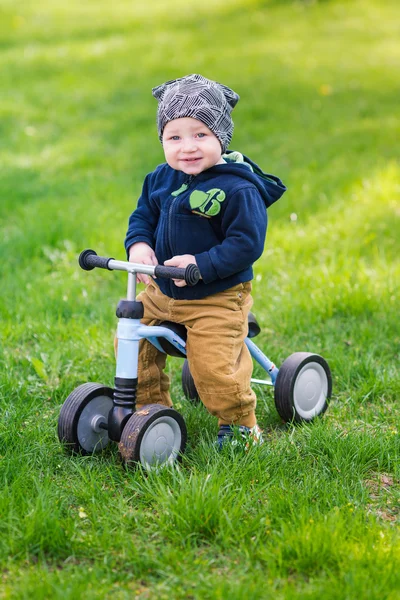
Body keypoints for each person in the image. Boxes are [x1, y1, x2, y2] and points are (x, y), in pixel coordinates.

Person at [124, 74, 286, 448]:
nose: (187, 147)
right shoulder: (159, 179)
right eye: (174, 137)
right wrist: (138, 246)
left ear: (221, 137)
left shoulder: (238, 188)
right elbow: (142, 217)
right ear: (162, 140)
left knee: (214, 366)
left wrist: (200, 264)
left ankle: (240, 424)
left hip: (216, 294)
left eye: (201, 134)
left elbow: (245, 244)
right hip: (162, 292)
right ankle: (149, 411)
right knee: (133, 343)